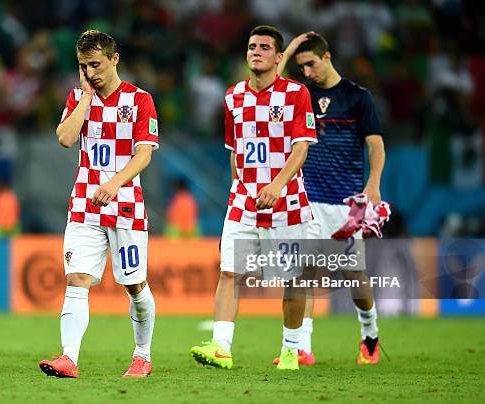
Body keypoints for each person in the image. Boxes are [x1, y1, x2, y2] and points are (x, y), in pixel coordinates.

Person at [190, 25, 318, 371]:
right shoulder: (233, 97)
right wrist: (238, 188)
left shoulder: (296, 94)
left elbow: (302, 147)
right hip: (243, 202)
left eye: (264, 47)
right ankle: (221, 347)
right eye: (251, 46)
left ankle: (291, 349)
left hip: (286, 203)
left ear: (279, 58)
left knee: (291, 280)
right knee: (229, 272)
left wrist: (276, 185)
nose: (256, 51)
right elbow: (235, 151)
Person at [38, 30, 159, 379]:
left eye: (96, 64)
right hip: (85, 206)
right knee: (77, 278)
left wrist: (114, 182)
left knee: (135, 286)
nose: (91, 72)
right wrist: (87, 98)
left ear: (114, 59)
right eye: (83, 66)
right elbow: (64, 138)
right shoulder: (78, 97)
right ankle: (68, 359)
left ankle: (142, 356)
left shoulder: (139, 100)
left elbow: (145, 153)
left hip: (126, 208)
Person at [273, 32, 386, 366]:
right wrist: (290, 49)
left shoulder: (356, 97)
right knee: (304, 273)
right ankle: (302, 347)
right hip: (307, 200)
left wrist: (374, 183)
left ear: (327, 57)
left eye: (310, 64)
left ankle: (370, 334)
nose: (307, 72)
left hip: (346, 202)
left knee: (354, 275)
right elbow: (272, 80)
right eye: (301, 66)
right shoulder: (301, 95)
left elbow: (375, 145)